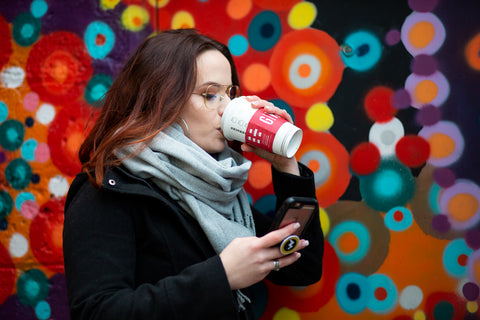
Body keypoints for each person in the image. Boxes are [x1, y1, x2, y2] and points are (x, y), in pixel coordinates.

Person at [63, 28, 324, 320]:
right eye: (210, 95)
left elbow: (301, 266)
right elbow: (96, 312)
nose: (227, 109)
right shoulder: (107, 191)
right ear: (162, 103)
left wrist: (284, 164)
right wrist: (221, 276)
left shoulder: (216, 190)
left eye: (230, 93)